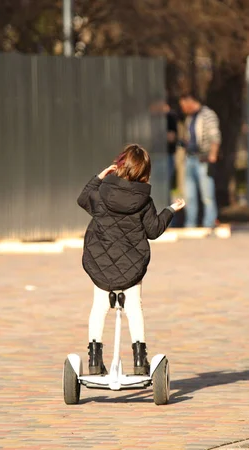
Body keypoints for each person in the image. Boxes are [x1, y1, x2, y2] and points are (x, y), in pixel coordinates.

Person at [77, 144, 186, 376]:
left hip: (100, 263)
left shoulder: (102, 193)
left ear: (119, 166)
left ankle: (94, 359)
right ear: (144, 173)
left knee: (99, 305)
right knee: (134, 306)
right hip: (131, 266)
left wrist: (98, 177)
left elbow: (82, 198)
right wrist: (170, 210)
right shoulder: (143, 201)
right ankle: (139, 360)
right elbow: (153, 230)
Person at [178, 93, 221, 228]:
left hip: (203, 159)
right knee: (189, 195)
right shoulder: (190, 118)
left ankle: (209, 223)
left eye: (183, 105)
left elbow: (215, 136)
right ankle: (190, 223)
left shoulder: (208, 114)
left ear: (189, 101)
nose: (183, 109)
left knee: (207, 194)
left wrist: (213, 156)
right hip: (190, 158)